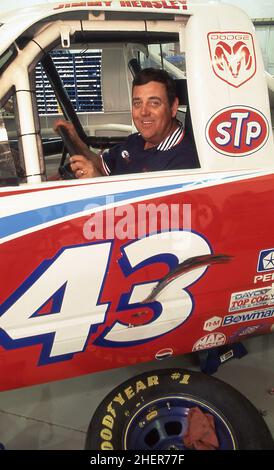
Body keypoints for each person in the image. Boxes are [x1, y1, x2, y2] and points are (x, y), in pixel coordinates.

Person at [54, 68, 200, 179]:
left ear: (173, 107)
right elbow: (101, 165)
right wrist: (75, 140)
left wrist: (96, 183)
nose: (143, 112)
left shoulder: (184, 161)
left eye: (154, 103)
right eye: (137, 103)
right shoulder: (136, 140)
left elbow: (151, 214)